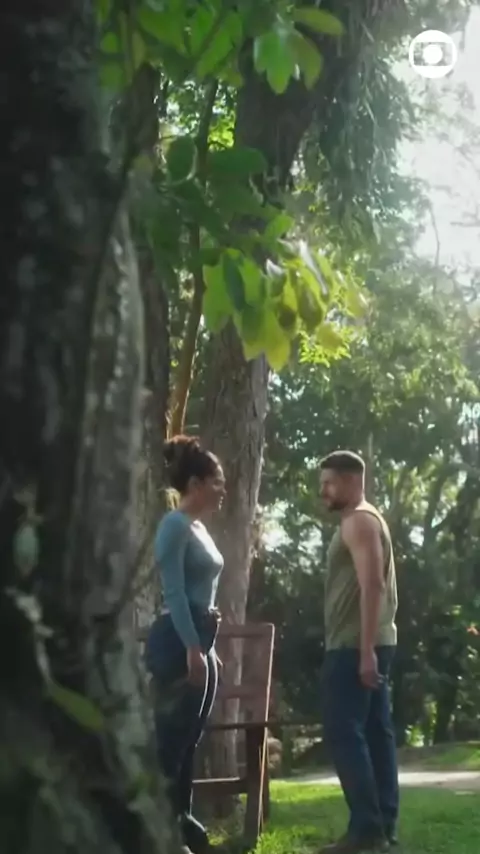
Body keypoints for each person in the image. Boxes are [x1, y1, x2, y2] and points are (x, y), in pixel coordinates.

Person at [145, 435, 226, 854]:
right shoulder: (173, 526)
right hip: (179, 643)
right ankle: (160, 829)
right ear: (195, 484)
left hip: (203, 639)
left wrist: (209, 649)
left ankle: (181, 821)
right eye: (217, 481)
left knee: (190, 739)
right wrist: (193, 648)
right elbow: (174, 594)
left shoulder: (199, 528)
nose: (222, 489)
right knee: (171, 742)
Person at [319, 451, 399, 854]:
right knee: (375, 732)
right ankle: (382, 826)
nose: (323, 491)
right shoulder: (365, 519)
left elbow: (373, 585)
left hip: (354, 645)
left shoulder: (359, 521)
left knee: (343, 730)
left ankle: (367, 827)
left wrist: (365, 651)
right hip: (368, 642)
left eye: (329, 483)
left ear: (352, 481)